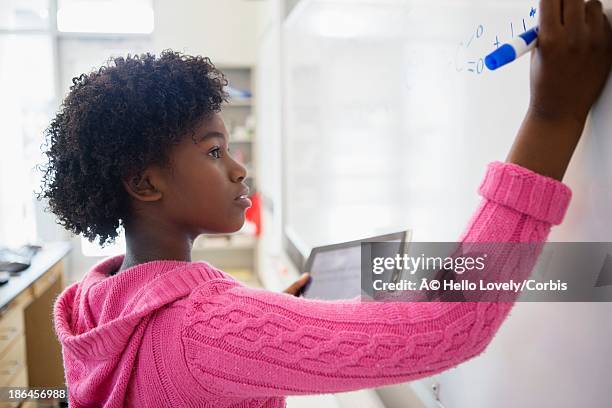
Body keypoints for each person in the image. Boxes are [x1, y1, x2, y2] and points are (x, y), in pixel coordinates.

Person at [40, 1, 612, 406]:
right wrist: (552, 118)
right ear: (144, 185)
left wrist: (262, 315)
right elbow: (453, 324)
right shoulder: (207, 330)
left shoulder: (97, 301)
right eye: (215, 151)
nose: (239, 167)